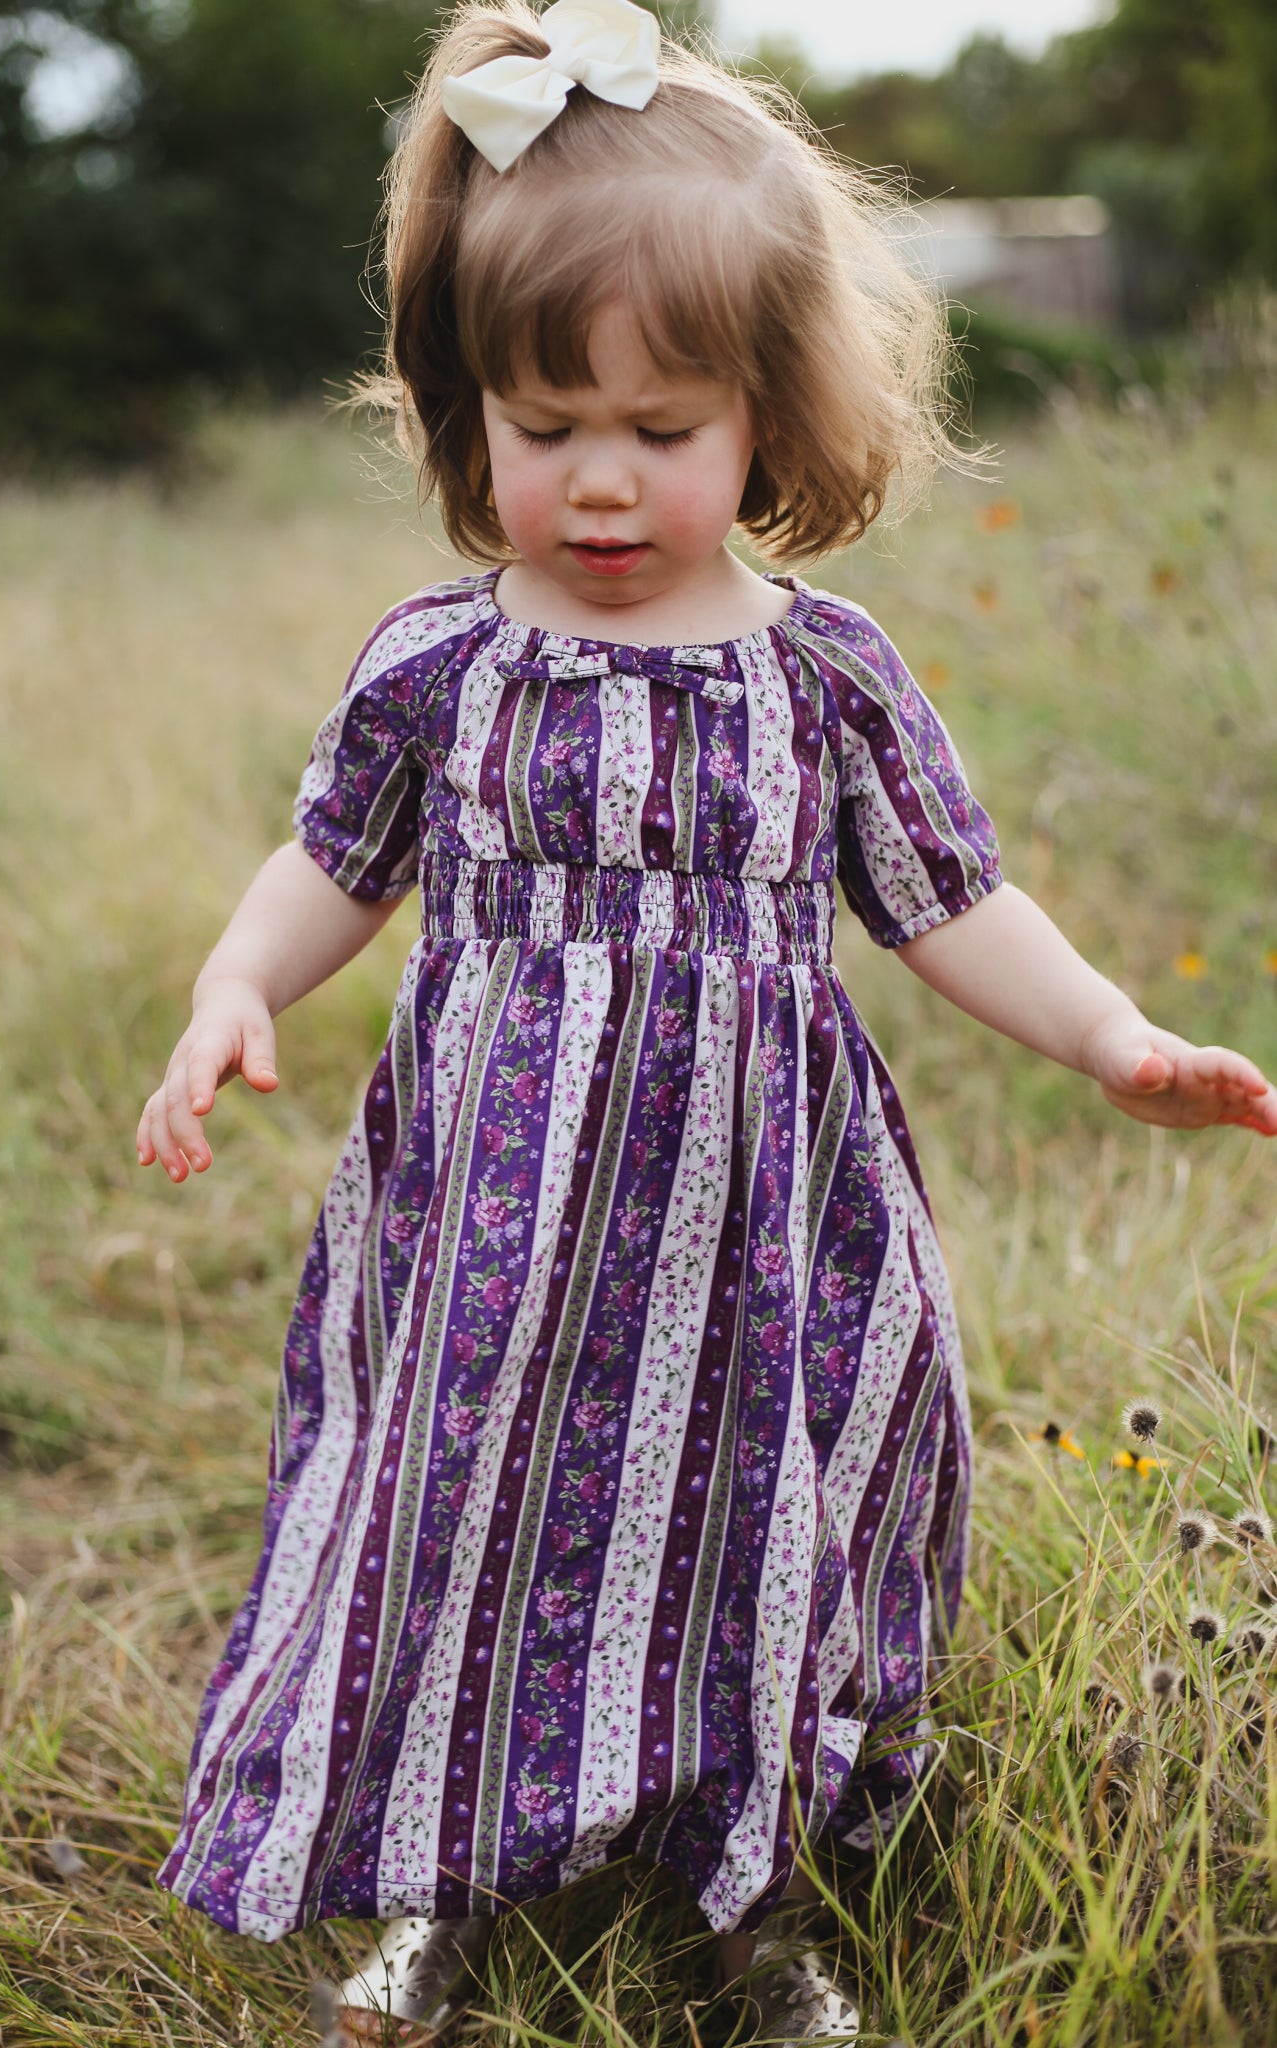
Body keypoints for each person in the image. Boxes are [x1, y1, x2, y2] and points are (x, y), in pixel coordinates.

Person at [136, 1, 1277, 2039]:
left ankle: (755, 1913)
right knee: (451, 1509)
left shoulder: (819, 673)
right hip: (491, 1223)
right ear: (460, 407)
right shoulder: (438, 667)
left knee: (752, 1518)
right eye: (540, 423)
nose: (594, 481)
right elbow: (333, 863)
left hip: (749, 1226)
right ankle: (434, 1892)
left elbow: (950, 899)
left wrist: (1113, 1038)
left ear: (766, 419)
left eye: (658, 432)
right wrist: (236, 985)